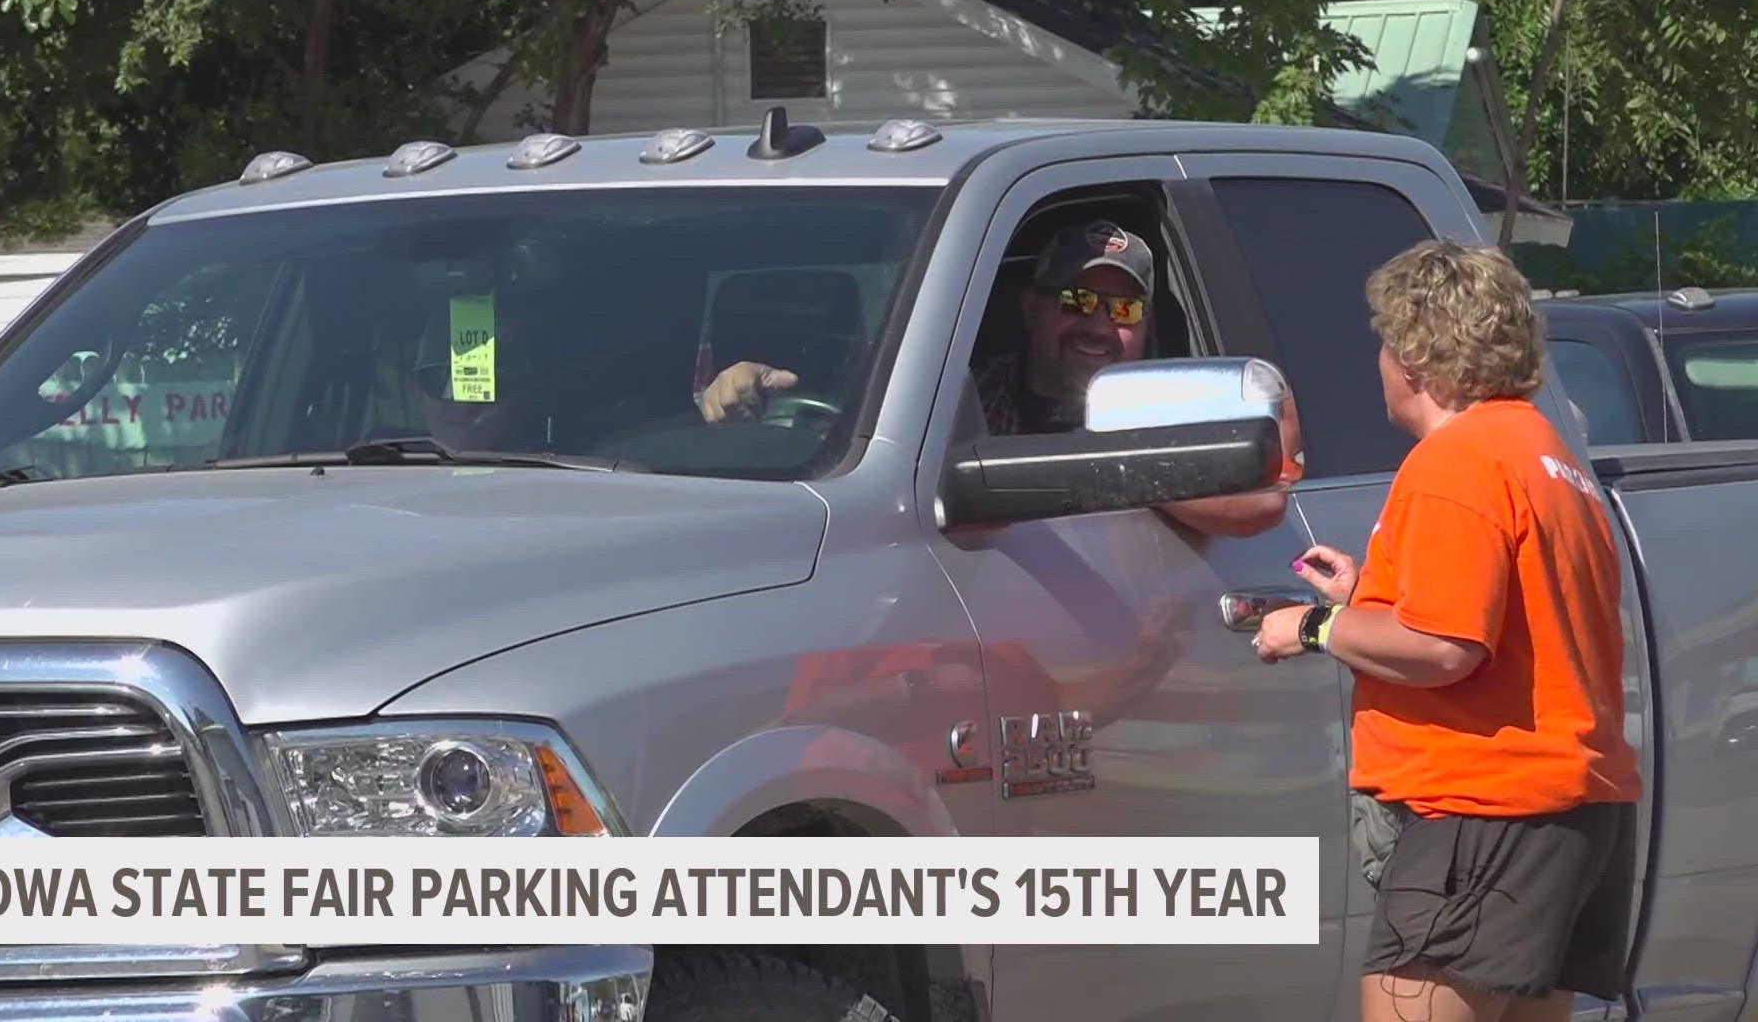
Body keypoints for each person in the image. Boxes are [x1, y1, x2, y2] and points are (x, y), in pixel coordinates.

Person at [1252, 239, 1642, 1022]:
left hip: (1482, 814)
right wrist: (1371, 594)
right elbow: (1512, 621)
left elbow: (1443, 647)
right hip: (1571, 817)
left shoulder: (1455, 462)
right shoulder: (1543, 453)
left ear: (1415, 360)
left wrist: (1315, 626)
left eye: (1385, 342)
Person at [701, 218, 1302, 536]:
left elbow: (1261, 504)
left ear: (1144, 326)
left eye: (1122, 309)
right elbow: (858, 427)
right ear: (1031, 308)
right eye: (1073, 298)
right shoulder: (961, 393)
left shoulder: (1172, 407)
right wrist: (745, 391)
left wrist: (1124, 461)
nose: (1097, 322)